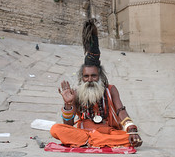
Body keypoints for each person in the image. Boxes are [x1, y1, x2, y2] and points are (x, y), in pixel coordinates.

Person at [50, 19, 142, 148]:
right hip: (83, 133)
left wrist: (132, 129)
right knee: (56, 129)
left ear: (100, 76)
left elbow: (121, 111)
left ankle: (91, 142)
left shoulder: (110, 90)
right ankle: (94, 141)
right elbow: (68, 124)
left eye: (93, 75)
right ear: (82, 78)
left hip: (107, 132)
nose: (90, 79)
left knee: (128, 138)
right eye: (86, 76)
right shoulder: (76, 93)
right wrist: (68, 104)